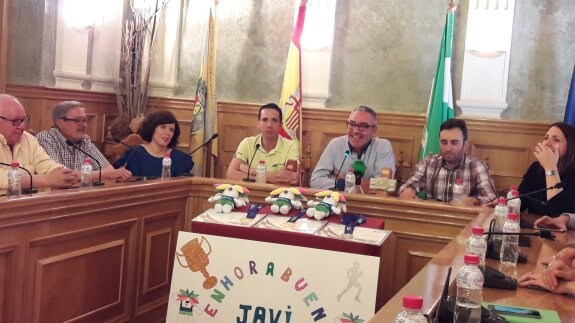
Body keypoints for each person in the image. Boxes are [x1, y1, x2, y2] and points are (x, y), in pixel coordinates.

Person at [399, 119, 496, 206]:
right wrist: (407, 191)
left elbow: (492, 197)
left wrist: (475, 201)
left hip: (464, 220)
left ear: (465, 145)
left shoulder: (476, 166)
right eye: (444, 143)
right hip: (431, 218)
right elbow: (407, 185)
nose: (448, 148)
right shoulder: (429, 163)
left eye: (454, 143)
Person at [36, 101, 132, 181]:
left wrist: (108, 174)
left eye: (85, 120)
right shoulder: (46, 139)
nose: (84, 125)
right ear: (60, 122)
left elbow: (109, 170)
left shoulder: (85, 140)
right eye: (78, 120)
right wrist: (105, 174)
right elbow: (62, 176)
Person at [0, 94, 78, 191]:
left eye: (23, 120)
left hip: (30, 203)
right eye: (16, 121)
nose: (22, 126)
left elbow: (46, 164)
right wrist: (46, 179)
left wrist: (65, 175)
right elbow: (1, 178)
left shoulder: (28, 139)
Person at [310, 106, 395, 190]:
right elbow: (315, 181)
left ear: (374, 131)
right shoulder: (335, 144)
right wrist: (344, 183)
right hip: (338, 201)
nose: (355, 131)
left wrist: (339, 180)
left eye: (363, 126)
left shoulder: (383, 147)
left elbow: (384, 186)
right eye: (352, 124)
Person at [226, 103, 300, 184]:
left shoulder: (291, 145)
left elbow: (290, 179)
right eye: (265, 120)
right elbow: (230, 175)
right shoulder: (247, 143)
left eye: (274, 120)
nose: (269, 125)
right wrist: (270, 177)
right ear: (258, 124)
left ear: (281, 125)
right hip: (251, 193)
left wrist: (250, 171)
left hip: (279, 195)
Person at [518, 122, 575, 217]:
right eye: (546, 138)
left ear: (570, 147)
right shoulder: (536, 168)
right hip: (535, 228)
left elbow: (560, 214)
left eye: (556, 140)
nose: (547, 143)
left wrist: (550, 168)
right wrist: (503, 205)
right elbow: (520, 202)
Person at [113, 110, 194, 177]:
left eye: (171, 130)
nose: (168, 133)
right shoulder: (134, 153)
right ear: (152, 128)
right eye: (163, 127)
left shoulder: (181, 158)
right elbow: (114, 175)